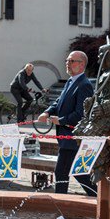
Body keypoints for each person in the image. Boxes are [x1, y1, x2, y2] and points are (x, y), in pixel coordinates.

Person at [38, 51, 95, 195]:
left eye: (71, 61)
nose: (67, 64)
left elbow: (81, 114)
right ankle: (100, 199)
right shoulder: (71, 81)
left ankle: (61, 205)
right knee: (78, 172)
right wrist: (47, 112)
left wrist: (61, 120)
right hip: (66, 137)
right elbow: (59, 102)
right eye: (67, 61)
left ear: (82, 65)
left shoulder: (84, 85)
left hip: (73, 137)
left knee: (62, 172)